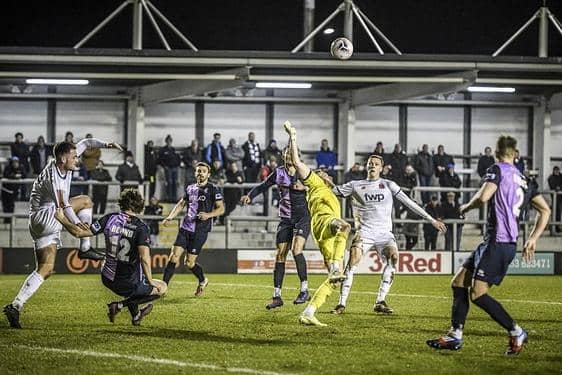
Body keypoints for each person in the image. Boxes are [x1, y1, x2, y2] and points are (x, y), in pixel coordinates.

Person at [426, 135, 551, 355]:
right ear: (516, 154)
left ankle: (515, 331)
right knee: (458, 283)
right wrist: (532, 238)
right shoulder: (524, 179)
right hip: (499, 242)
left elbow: (484, 197)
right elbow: (546, 210)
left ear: (495, 152)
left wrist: (464, 207)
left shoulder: (497, 169)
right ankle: (455, 335)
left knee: (477, 293)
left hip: (498, 241)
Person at [2, 138, 123, 329]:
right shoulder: (55, 178)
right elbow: (64, 207)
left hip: (36, 220)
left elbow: (87, 142)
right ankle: (85, 247)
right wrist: (77, 225)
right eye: (74, 157)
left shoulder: (63, 164)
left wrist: (108, 144)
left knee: (45, 269)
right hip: (49, 215)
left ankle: (15, 305)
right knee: (85, 201)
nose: (78, 160)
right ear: (63, 158)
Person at [331, 155, 446, 315]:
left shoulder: (388, 185)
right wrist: (322, 181)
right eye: (370, 163)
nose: (372, 165)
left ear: (381, 168)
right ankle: (341, 303)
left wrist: (431, 220)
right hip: (365, 231)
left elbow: (409, 202)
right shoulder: (355, 185)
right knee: (353, 262)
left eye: (376, 164)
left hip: (384, 233)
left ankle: (380, 301)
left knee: (394, 258)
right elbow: (332, 191)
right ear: (367, 167)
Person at [53, 189, 167, 326]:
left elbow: (79, 233)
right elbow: (145, 259)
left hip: (106, 277)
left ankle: (136, 316)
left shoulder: (109, 218)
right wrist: (151, 281)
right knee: (162, 287)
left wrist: (62, 219)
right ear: (138, 205)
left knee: (136, 280)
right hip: (127, 283)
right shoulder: (141, 228)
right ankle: (118, 305)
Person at [281, 121, 351, 327]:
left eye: (325, 173)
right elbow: (296, 160)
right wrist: (293, 137)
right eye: (321, 172)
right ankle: (337, 266)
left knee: (335, 281)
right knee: (345, 227)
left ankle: (309, 312)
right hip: (323, 222)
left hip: (324, 235)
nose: (324, 173)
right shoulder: (314, 182)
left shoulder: (329, 190)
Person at [241, 147, 311, 309]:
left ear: (297, 156)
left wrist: (306, 188)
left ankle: (304, 290)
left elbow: (320, 188)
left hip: (303, 217)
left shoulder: (304, 172)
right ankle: (277, 296)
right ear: (282, 156)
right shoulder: (278, 173)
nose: (288, 156)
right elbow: (263, 186)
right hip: (285, 218)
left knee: (296, 250)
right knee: (280, 255)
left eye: (291, 153)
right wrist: (250, 196)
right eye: (286, 153)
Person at [161, 162, 224, 296]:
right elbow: (181, 204)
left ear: (208, 174)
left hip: (200, 231)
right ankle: (163, 288)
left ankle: (202, 280)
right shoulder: (190, 188)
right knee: (173, 257)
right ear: (195, 173)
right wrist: (170, 217)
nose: (200, 173)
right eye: (198, 171)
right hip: (185, 228)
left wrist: (208, 215)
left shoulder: (213, 189)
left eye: (203, 171)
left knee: (189, 263)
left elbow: (221, 208)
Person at [1, 157, 25, 223]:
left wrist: (19, 175)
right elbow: (6, 175)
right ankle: (6, 220)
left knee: (11, 205)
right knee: (6, 206)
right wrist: (14, 176)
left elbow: (24, 175)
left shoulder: (21, 167)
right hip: (6, 190)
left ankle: (10, 220)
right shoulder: (8, 167)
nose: (15, 164)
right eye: (14, 162)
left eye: (16, 162)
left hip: (14, 190)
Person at [159, 135, 181, 202]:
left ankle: (174, 198)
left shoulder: (173, 149)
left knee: (175, 183)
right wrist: (164, 166)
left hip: (174, 168)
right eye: (168, 141)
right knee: (169, 183)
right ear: (166, 141)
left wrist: (178, 165)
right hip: (168, 168)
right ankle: (169, 198)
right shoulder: (163, 150)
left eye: (170, 141)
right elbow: (160, 159)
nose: (169, 142)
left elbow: (177, 158)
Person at [10, 132, 30, 200]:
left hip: (24, 166)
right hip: (16, 166)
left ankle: (23, 197)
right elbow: (15, 155)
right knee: (15, 183)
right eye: (18, 138)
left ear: (22, 138)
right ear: (16, 138)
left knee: (24, 183)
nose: (19, 139)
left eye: (20, 138)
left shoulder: (25, 145)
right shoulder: (13, 145)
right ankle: (15, 197)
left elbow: (27, 154)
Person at [547, 166, 562, 232]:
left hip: (560, 197)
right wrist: (556, 187)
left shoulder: (561, 176)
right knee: (556, 213)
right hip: (555, 198)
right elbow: (552, 185)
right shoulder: (551, 177)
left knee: (558, 212)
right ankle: (556, 227)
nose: (557, 172)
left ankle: (557, 227)